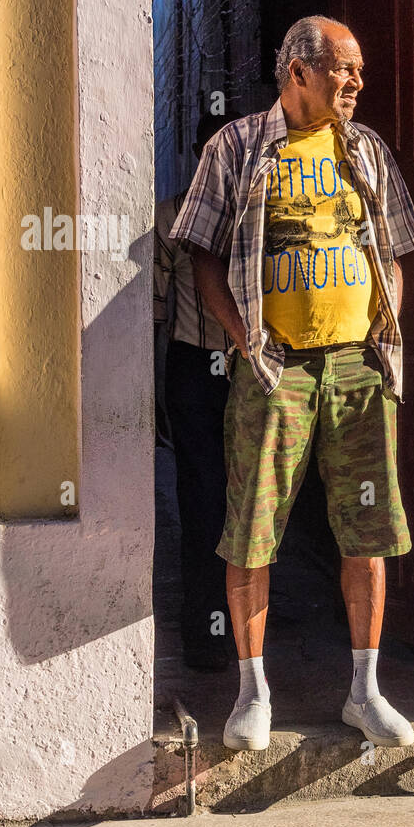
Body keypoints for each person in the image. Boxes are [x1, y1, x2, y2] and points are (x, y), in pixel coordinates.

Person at [169, 15, 414, 752]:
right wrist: (245, 335)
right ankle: (253, 693)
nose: (356, 83)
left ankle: (365, 690)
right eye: (344, 70)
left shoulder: (368, 150)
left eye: (358, 72)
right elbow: (202, 254)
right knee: (252, 532)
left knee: (366, 532)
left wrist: (385, 327)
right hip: (274, 369)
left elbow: (397, 251)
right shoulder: (239, 147)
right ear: (299, 73)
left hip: (357, 368)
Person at [153, 108, 241, 672]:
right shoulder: (171, 218)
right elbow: (157, 316)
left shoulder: (263, 219)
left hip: (253, 367)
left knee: (251, 503)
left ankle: (248, 638)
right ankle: (207, 635)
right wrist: (157, 399)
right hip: (195, 367)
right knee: (203, 500)